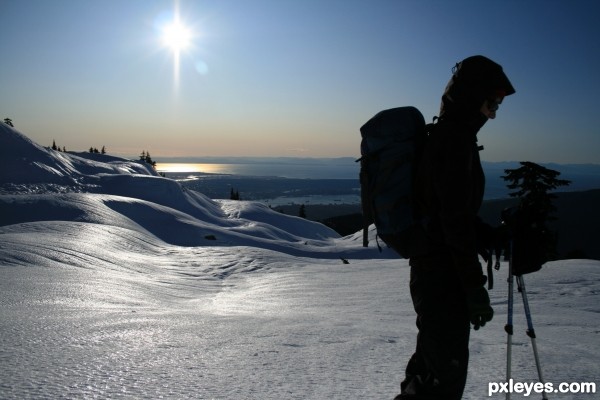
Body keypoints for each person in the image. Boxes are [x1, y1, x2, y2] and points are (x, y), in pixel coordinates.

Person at [395, 55, 515, 400]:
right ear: (471, 96)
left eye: (497, 106)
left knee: (430, 368)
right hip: (441, 275)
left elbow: (452, 212)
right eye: (491, 103)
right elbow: (452, 222)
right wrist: (474, 288)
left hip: (434, 271)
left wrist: (489, 236)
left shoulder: (450, 136)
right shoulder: (453, 141)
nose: (492, 113)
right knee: (441, 378)